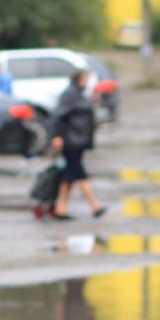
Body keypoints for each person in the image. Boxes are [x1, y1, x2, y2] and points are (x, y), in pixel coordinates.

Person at [49, 69, 105, 220]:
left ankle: (61, 208)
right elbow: (57, 117)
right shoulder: (70, 95)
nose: (87, 80)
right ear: (78, 79)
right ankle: (95, 205)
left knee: (69, 175)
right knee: (79, 173)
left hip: (78, 140)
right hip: (70, 140)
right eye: (85, 78)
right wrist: (57, 136)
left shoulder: (79, 93)